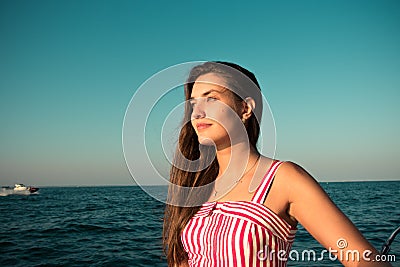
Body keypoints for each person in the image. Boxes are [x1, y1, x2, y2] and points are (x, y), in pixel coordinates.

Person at [162, 61, 391, 267]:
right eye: (193, 104)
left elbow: (362, 260)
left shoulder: (284, 179)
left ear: (245, 108)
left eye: (211, 98)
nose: (197, 112)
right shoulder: (196, 184)